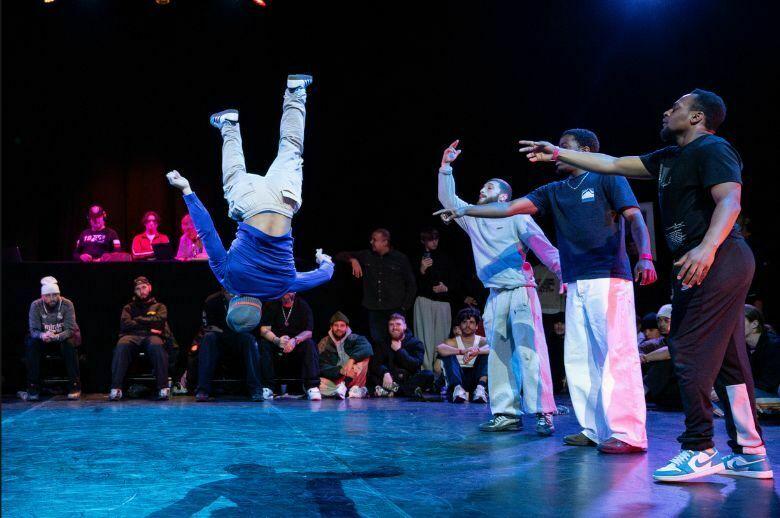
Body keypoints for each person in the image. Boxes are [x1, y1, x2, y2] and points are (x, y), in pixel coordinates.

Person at [514, 89, 771, 480]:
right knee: (729, 361)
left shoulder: (713, 148)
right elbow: (613, 163)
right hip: (705, 261)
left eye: (677, 107)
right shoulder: (670, 157)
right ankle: (751, 451)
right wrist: (558, 153)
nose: (667, 111)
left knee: (687, 349)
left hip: (719, 258)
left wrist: (707, 248)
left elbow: (730, 201)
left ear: (698, 117)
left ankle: (699, 448)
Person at [437, 130, 656, 452]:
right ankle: (593, 429)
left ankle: (626, 433)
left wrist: (646, 255)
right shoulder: (555, 190)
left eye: (563, 147)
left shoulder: (608, 177)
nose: (557, 152)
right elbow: (502, 207)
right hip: (567, 282)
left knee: (614, 353)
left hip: (605, 277)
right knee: (579, 358)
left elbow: (632, 218)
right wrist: (460, 199)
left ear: (585, 151)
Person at [166, 75, 333, 334]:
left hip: (284, 202)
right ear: (233, 303)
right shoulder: (228, 279)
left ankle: (296, 91)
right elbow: (207, 233)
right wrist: (187, 191)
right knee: (234, 174)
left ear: (259, 309)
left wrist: (324, 260)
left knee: (291, 147)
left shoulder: (283, 287)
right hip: (251, 205)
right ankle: (229, 125)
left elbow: (325, 275)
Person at [436, 140, 562, 436]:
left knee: (530, 352)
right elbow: (449, 201)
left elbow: (544, 248)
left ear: (504, 196)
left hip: (520, 291)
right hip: (494, 296)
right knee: (499, 355)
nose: (482, 190)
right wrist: (445, 168)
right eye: (483, 187)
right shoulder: (473, 218)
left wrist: (564, 274)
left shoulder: (518, 216)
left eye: (489, 187)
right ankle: (506, 413)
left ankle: (543, 412)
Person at [335, 229, 416, 347]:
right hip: (374, 309)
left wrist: (404, 307)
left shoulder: (400, 258)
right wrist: (353, 260)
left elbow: (411, 284)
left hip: (395, 309)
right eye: (371, 239)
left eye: (375, 240)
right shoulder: (367, 255)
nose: (371, 242)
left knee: (398, 341)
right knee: (378, 342)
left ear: (385, 242)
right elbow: (339, 255)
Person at [195, 288, 264, 402]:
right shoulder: (212, 301)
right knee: (208, 338)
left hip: (239, 336)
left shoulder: (246, 300)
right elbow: (208, 326)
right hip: (219, 338)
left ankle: (256, 389)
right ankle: (203, 389)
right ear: (223, 290)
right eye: (228, 291)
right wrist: (223, 333)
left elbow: (252, 325)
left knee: (249, 339)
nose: (231, 294)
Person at [110, 277, 172, 401]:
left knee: (157, 345)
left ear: (150, 288)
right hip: (132, 336)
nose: (141, 291)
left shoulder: (159, 306)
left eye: (144, 287)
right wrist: (149, 325)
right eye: (138, 289)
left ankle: (163, 388)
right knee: (122, 345)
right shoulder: (128, 308)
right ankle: (116, 388)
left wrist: (138, 319)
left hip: (152, 336)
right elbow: (125, 324)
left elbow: (159, 322)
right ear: (135, 291)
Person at [25, 276, 81, 400]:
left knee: (69, 344)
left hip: (62, 338)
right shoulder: (36, 305)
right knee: (32, 344)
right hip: (44, 339)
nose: (52, 298)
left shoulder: (67, 304)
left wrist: (57, 336)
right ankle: (33, 387)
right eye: (48, 295)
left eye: (55, 295)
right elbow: (33, 330)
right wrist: (42, 335)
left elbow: (70, 329)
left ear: (59, 294)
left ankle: (75, 386)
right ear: (42, 296)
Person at [258, 292, 321, 400]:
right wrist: (277, 340)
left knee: (309, 344)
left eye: (289, 290)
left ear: (294, 292)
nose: (286, 292)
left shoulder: (302, 305)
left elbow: (308, 332)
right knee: (264, 344)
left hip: (296, 344)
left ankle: (312, 386)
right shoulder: (272, 304)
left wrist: (295, 340)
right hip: (277, 343)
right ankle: (268, 387)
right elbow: (264, 330)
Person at [413, 227, 456, 373]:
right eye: (431, 239)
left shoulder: (446, 257)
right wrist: (422, 269)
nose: (434, 242)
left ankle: (440, 372)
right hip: (424, 301)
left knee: (441, 337)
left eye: (436, 239)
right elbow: (412, 283)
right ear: (423, 241)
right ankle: (426, 372)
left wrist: (446, 287)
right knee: (424, 338)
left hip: (442, 303)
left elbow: (456, 279)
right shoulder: (417, 257)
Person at [369, 313, 433, 397]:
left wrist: (399, 351)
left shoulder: (416, 343)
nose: (394, 327)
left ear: (405, 326)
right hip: (389, 379)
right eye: (391, 325)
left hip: (407, 379)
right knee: (370, 373)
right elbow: (375, 364)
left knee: (428, 374)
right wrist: (385, 373)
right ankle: (398, 391)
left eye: (398, 324)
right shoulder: (383, 343)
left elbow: (415, 365)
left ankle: (395, 391)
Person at [436, 308, 490, 405]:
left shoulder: (482, 341)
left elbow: (493, 347)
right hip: (458, 378)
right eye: (464, 322)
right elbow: (439, 348)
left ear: (477, 326)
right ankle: (458, 389)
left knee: (486, 354)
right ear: (460, 325)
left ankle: (480, 389)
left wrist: (477, 351)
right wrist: (462, 351)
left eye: (471, 322)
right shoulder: (452, 341)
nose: (468, 325)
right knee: (449, 353)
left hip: (476, 378)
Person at [317, 312, 372, 399]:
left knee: (365, 358)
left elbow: (367, 348)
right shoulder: (324, 343)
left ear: (347, 327)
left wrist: (352, 360)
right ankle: (341, 391)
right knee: (316, 382)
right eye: (336, 325)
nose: (339, 328)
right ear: (331, 327)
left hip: (354, 376)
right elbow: (320, 365)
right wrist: (340, 370)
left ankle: (353, 390)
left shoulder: (354, 338)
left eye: (342, 325)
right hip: (337, 379)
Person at [744, 305, 780, 399]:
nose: (734, 325)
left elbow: (768, 383)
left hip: (771, 393)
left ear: (754, 324)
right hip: (754, 388)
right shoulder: (741, 345)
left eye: (739, 321)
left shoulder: (773, 345)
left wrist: (735, 390)